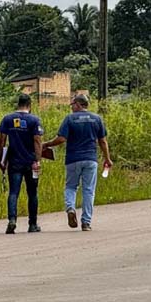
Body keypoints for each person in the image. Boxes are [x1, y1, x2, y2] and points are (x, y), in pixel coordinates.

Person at [42, 93, 113, 231]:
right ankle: (86, 222)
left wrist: (47, 144)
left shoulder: (70, 119)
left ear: (79, 104)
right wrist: (107, 158)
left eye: (73, 104)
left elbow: (61, 139)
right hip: (90, 160)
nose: (71, 107)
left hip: (73, 159)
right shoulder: (97, 119)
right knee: (89, 191)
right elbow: (102, 141)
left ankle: (70, 209)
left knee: (71, 187)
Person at [0, 93, 44, 234]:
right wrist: (38, 160)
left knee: (13, 192)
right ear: (29, 105)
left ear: (18, 104)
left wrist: (1, 159)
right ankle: (32, 224)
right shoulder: (34, 120)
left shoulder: (8, 119)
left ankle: (12, 220)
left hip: (14, 162)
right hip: (30, 163)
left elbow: (2, 140)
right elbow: (37, 141)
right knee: (32, 193)